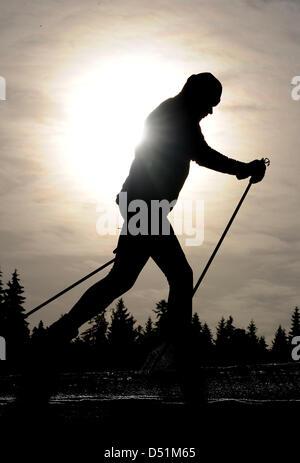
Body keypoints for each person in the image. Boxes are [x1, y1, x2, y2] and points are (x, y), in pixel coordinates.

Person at [19, 72, 266, 407]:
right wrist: (243, 168)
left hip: (142, 206)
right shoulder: (176, 117)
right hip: (144, 207)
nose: (211, 112)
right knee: (180, 275)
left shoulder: (177, 115)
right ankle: (176, 343)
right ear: (196, 95)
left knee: (121, 280)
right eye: (210, 104)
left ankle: (57, 335)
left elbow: (194, 152)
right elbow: (202, 154)